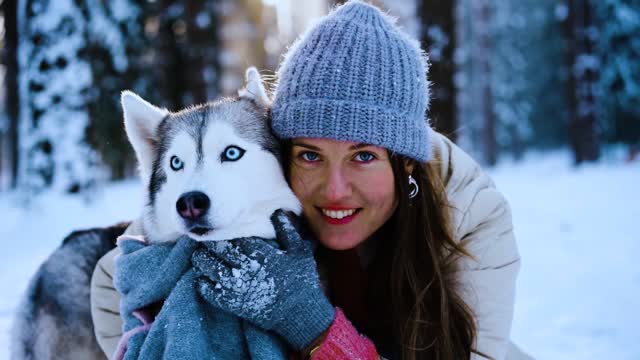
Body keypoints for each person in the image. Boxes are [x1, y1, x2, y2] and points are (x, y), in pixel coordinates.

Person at [91, 1, 524, 359]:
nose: (335, 190)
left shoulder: (469, 213)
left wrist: (312, 325)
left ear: (406, 163)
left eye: (364, 156)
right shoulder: (243, 197)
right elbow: (114, 281)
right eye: (310, 155)